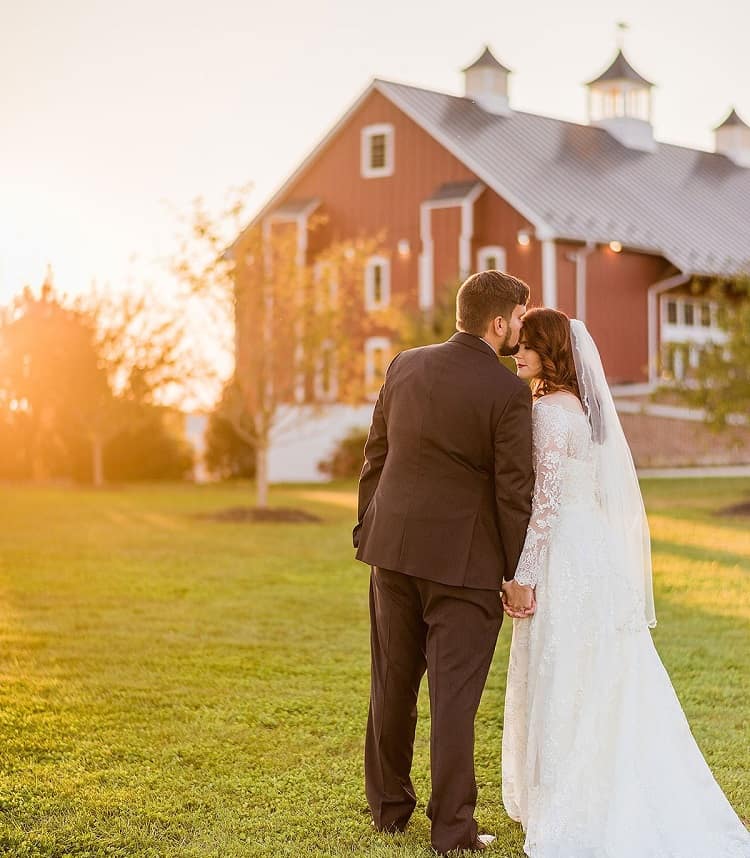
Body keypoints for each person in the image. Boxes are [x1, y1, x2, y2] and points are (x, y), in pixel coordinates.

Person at [503, 307, 750, 858]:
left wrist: (522, 576)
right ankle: (618, 784)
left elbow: (543, 507)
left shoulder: (546, 413)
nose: (516, 354)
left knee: (564, 673)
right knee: (606, 676)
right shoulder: (585, 411)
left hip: (565, 557)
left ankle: (574, 801)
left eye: (525, 346)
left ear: (549, 352)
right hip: (597, 557)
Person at [353, 270, 536, 854]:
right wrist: (515, 573)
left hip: (393, 552)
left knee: (392, 683)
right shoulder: (507, 392)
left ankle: (388, 810)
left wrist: (368, 525)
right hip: (464, 567)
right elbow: (514, 492)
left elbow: (375, 454)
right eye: (521, 319)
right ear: (499, 322)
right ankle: (452, 830)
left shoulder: (405, 363)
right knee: (453, 702)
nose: (522, 332)